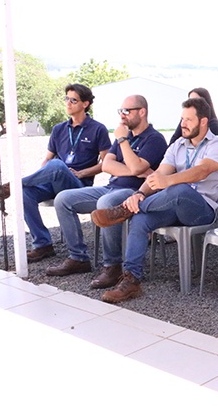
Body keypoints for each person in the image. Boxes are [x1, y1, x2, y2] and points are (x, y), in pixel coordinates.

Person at [90, 97, 218, 303]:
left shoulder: (217, 146)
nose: (183, 124)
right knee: (141, 220)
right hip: (173, 206)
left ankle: (125, 210)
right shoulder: (177, 146)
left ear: (203, 122)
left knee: (179, 189)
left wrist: (169, 181)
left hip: (201, 210)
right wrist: (139, 194)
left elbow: (201, 171)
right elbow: (158, 175)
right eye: (182, 119)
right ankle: (131, 279)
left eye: (188, 120)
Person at [52, 95, 168, 286]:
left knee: (106, 203)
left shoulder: (154, 139)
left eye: (127, 111)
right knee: (63, 199)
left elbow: (138, 168)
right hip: (110, 187)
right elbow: (107, 165)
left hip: (134, 192)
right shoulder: (126, 136)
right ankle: (78, 258)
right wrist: (134, 168)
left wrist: (122, 141)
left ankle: (113, 266)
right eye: (120, 111)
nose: (122, 115)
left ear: (142, 112)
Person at [0, 83, 111, 262]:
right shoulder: (58, 129)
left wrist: (82, 173)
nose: (68, 103)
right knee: (24, 193)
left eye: (73, 100)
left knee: (56, 165)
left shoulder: (98, 129)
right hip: (54, 179)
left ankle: (13, 185)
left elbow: (107, 163)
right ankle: (43, 244)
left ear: (85, 104)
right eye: (66, 99)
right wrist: (43, 175)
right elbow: (47, 160)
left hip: (78, 185)